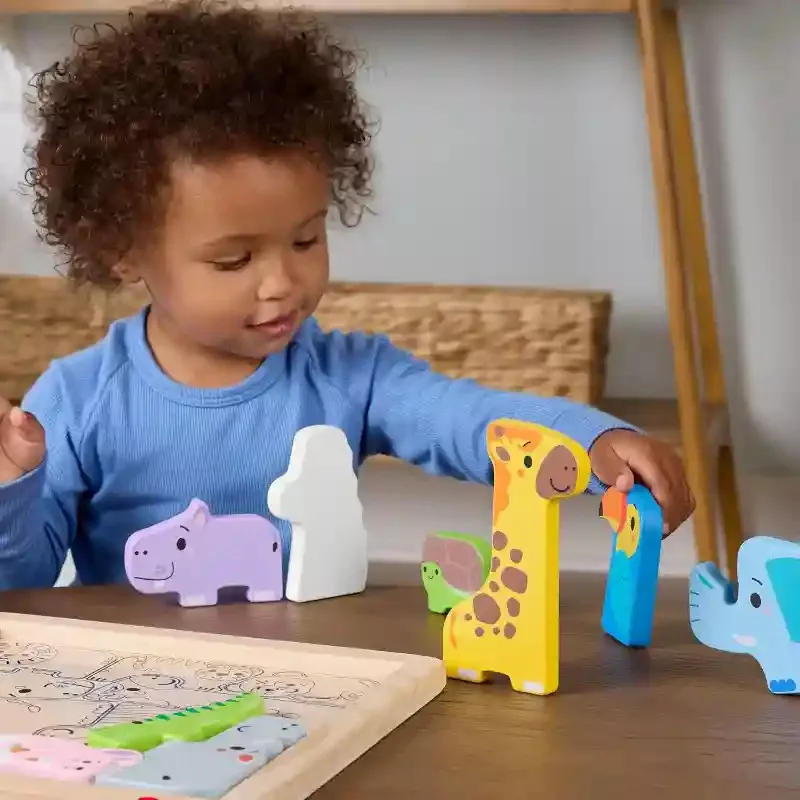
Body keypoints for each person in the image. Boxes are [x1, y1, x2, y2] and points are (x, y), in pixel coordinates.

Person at [0, 0, 693, 591]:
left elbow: (469, 419)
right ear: (122, 251)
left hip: (322, 675)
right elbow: (21, 585)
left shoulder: (350, 377)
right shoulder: (75, 401)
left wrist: (593, 439)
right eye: (234, 259)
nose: (283, 282)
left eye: (306, 239)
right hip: (143, 686)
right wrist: (10, 488)